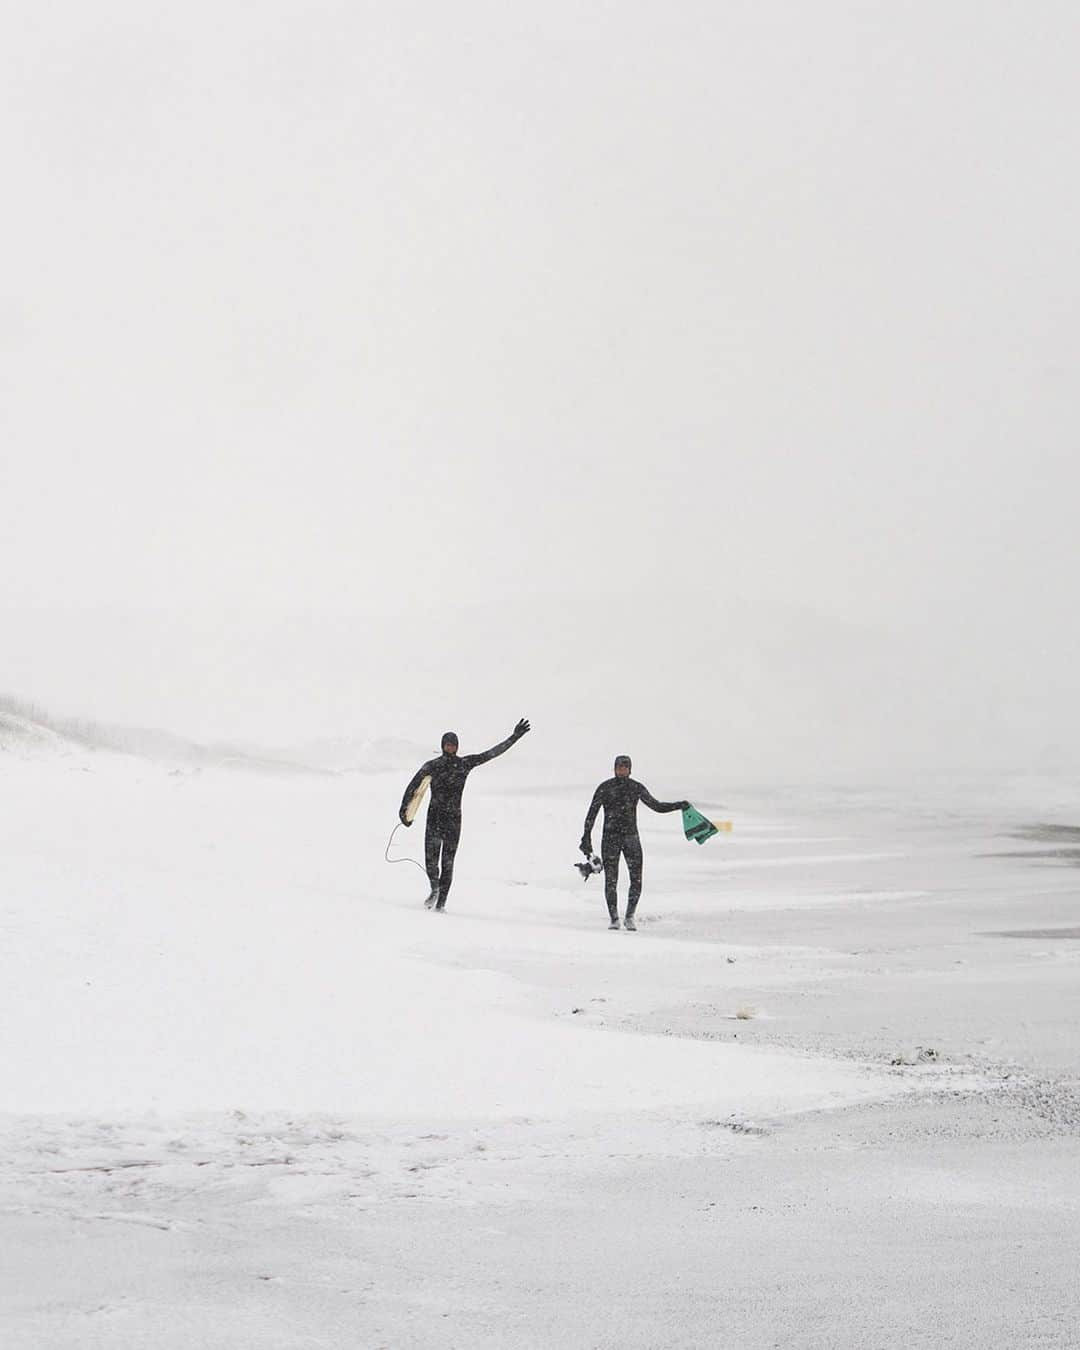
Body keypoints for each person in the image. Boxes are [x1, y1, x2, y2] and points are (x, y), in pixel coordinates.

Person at [399, 719, 531, 911]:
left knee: (448, 863)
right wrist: (403, 811)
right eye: (447, 744)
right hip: (434, 818)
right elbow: (413, 787)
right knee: (430, 861)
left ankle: (441, 904)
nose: (450, 747)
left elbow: (491, 753)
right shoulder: (432, 765)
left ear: (457, 746)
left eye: (453, 744)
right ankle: (434, 889)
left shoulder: (464, 764)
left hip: (453, 820)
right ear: (442, 745)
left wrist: (514, 737)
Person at [580, 755, 689, 931]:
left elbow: (657, 806)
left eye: (625, 767)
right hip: (610, 839)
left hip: (631, 837)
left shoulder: (635, 788)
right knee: (611, 880)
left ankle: (629, 917)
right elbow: (591, 814)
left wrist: (678, 805)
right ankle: (614, 918)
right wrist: (586, 838)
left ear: (630, 769)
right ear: (614, 769)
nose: (622, 770)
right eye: (619, 767)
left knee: (636, 880)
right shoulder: (605, 788)